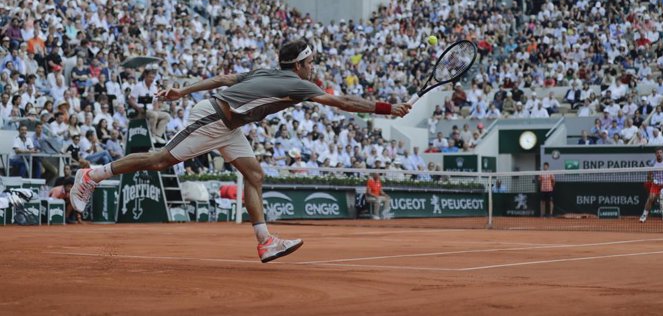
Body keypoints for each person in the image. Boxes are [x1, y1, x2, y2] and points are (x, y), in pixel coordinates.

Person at [70, 39, 410, 262]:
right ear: (299, 65)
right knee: (159, 162)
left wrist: (182, 91)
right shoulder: (299, 83)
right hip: (213, 118)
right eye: (311, 61)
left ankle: (265, 241)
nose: (313, 67)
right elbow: (344, 102)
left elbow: (223, 78)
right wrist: (387, 108)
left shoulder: (268, 72)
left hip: (229, 126)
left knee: (254, 174)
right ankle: (93, 174)